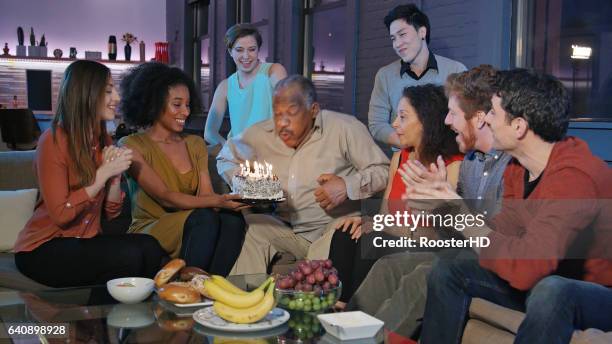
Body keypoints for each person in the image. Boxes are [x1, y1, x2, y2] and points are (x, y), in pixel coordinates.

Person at [407, 69, 612, 343]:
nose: (486, 120)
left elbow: (528, 268)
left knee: (552, 291)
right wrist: (443, 207)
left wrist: (457, 210)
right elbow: (498, 234)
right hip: (546, 278)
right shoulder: (518, 169)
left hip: (596, 292)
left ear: (518, 126)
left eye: (492, 112)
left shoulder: (575, 177)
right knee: (449, 270)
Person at [345, 65, 511, 338]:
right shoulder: (471, 163)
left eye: (453, 114)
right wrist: (437, 206)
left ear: (479, 118)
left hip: (493, 261)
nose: (446, 121)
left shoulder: (508, 167)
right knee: (387, 267)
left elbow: (493, 242)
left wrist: (446, 205)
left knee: (424, 276)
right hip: (466, 251)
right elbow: (457, 235)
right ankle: (344, 334)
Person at [13, 60, 167, 288]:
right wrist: (103, 174)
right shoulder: (54, 141)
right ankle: (96, 322)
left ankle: (147, 317)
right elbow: (60, 214)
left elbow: (110, 214)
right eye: (107, 91)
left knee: (151, 247)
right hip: (42, 248)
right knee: (129, 257)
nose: (116, 97)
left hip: (84, 240)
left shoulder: (102, 140)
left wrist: (115, 177)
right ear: (86, 94)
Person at [217, 75, 390, 275]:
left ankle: (309, 294)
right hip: (288, 228)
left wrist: (347, 186)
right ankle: (241, 300)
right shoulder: (261, 133)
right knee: (256, 227)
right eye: (277, 113)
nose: (282, 122)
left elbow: (384, 171)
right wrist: (247, 183)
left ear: (313, 110)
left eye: (291, 113)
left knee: (335, 242)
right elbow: (225, 158)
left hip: (333, 227)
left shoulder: (344, 128)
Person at [329, 84, 463, 308]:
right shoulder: (399, 158)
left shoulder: (453, 165)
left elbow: (446, 234)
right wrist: (369, 221)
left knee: (371, 241)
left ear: (426, 122)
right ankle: (335, 305)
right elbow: (385, 215)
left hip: (426, 244)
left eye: (402, 117)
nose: (394, 124)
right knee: (346, 233)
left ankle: (355, 314)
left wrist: (387, 227)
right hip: (394, 235)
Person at [119, 62, 247, 276]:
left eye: (188, 105)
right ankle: (185, 290)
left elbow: (206, 195)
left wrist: (236, 201)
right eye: (177, 105)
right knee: (204, 218)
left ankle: (211, 290)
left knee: (232, 222)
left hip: (193, 222)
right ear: (153, 104)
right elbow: (165, 197)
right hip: (152, 228)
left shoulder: (195, 144)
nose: (185, 112)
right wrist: (220, 200)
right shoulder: (132, 146)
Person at [369, 4, 466, 150]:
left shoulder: (455, 70)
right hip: (404, 159)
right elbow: (377, 124)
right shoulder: (385, 75)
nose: (397, 44)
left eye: (402, 35)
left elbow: (465, 118)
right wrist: (409, 143)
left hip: (446, 158)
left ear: (422, 32)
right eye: (393, 38)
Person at [204, 23, 288, 147]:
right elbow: (209, 132)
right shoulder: (225, 86)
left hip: (271, 153)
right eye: (239, 50)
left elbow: (290, 106)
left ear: (258, 50)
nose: (246, 56)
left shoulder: (274, 71)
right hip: (239, 157)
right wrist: (231, 150)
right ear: (230, 52)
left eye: (252, 49)